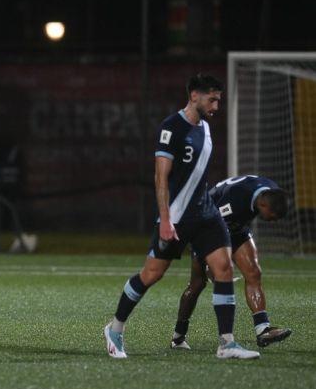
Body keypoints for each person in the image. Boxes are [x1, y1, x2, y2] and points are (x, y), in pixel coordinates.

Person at [104, 74, 258, 360]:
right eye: (212, 99)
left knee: (224, 269)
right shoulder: (171, 127)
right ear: (194, 96)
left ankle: (227, 343)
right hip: (177, 217)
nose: (216, 106)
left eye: (218, 100)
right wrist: (165, 220)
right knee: (151, 274)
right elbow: (160, 177)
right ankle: (115, 329)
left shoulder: (207, 129)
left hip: (207, 214)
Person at [172, 175, 292, 349]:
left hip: (235, 225)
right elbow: (209, 225)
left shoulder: (270, 192)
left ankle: (263, 329)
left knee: (254, 272)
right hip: (204, 224)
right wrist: (209, 262)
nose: (275, 221)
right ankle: (178, 336)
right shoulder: (236, 199)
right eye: (273, 216)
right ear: (263, 205)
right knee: (197, 284)